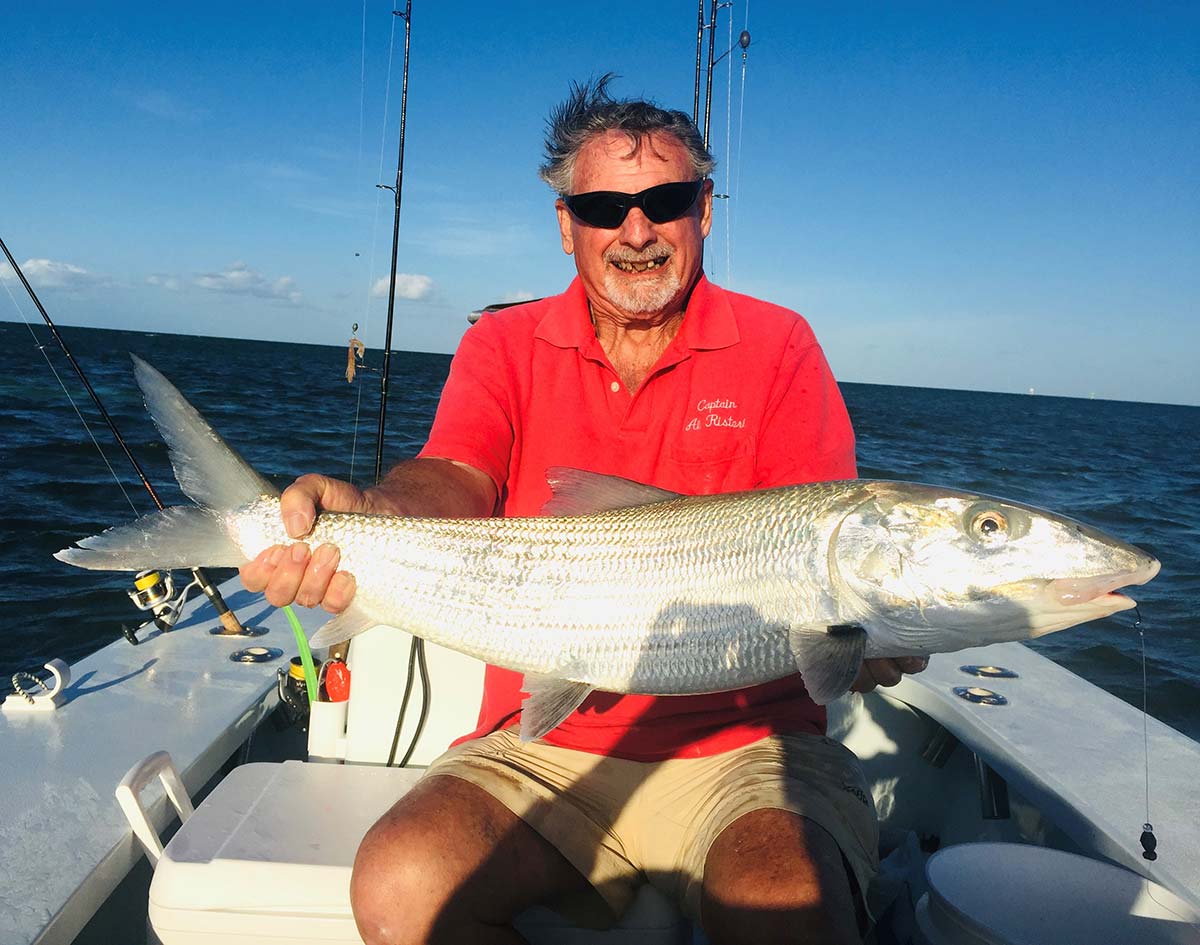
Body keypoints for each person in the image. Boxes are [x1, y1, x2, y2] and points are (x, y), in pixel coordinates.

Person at [241, 76, 926, 945]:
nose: (635, 232)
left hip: (748, 751)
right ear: (566, 224)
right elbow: (457, 474)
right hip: (538, 745)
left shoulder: (779, 344)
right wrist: (368, 512)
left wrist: (868, 638)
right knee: (399, 882)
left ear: (704, 210)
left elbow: (820, 544)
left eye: (665, 201)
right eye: (604, 207)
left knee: (787, 909)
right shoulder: (502, 342)